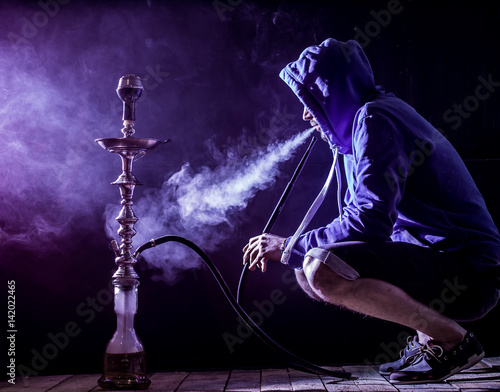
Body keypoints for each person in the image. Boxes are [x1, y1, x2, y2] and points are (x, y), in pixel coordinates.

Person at [242, 38, 500, 384]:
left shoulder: (376, 118)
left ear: (334, 93)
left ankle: (453, 342)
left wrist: (289, 245)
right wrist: (296, 250)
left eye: (310, 100)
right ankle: (431, 339)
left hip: (471, 278)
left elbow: (368, 223)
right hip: (449, 269)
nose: (306, 113)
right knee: (309, 268)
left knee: (319, 266)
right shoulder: (367, 122)